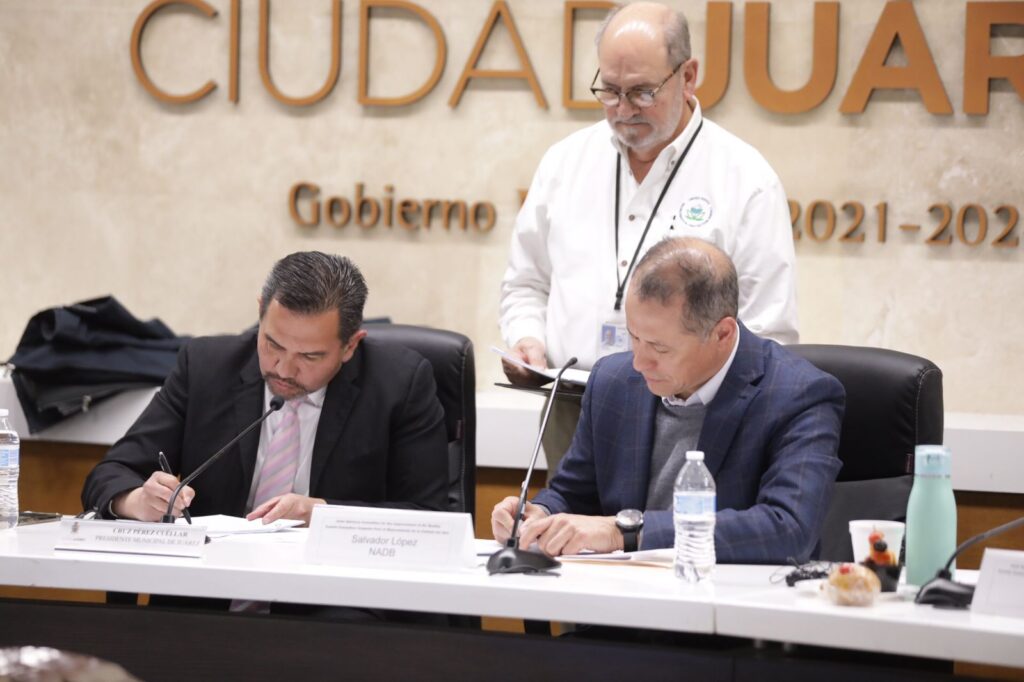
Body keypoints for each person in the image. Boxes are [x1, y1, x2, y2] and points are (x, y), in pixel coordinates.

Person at [499, 1, 799, 470]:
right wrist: (526, 340)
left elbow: (768, 332)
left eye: (641, 92)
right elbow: (526, 283)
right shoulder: (564, 163)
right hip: (572, 410)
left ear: (688, 76)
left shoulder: (744, 179)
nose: (622, 109)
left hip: (691, 422)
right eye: (609, 90)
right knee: (562, 519)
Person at [492, 237, 843, 564]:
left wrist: (624, 532)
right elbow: (573, 493)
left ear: (722, 334)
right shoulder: (614, 381)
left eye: (659, 348)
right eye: (634, 338)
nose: (639, 362)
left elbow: (788, 528)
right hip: (620, 599)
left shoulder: (798, 394)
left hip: (731, 603)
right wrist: (540, 514)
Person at [82, 251, 448, 527]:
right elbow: (110, 473)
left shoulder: (399, 385)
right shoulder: (206, 367)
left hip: (330, 595)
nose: (284, 369)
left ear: (351, 345)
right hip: (210, 587)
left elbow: (430, 516)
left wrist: (322, 514)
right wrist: (136, 500)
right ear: (261, 312)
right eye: (273, 344)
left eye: (310, 356)